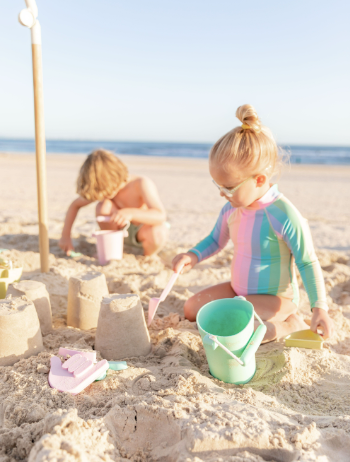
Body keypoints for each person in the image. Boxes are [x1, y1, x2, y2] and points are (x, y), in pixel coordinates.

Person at [172, 104, 333, 342]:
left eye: (228, 188)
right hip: (239, 291)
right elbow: (216, 240)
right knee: (191, 309)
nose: (221, 194)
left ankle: (290, 324)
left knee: (240, 327)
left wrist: (320, 308)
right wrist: (192, 256)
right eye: (218, 186)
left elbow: (307, 262)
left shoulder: (284, 215)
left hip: (277, 301)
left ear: (259, 180)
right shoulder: (232, 208)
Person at [59, 149, 167, 256]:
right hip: (117, 233)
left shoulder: (141, 183)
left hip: (143, 232)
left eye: (106, 193)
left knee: (157, 232)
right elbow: (75, 205)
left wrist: (130, 213)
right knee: (103, 206)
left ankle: (147, 256)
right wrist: (65, 236)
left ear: (114, 179)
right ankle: (113, 248)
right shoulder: (104, 188)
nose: (103, 196)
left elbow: (160, 215)